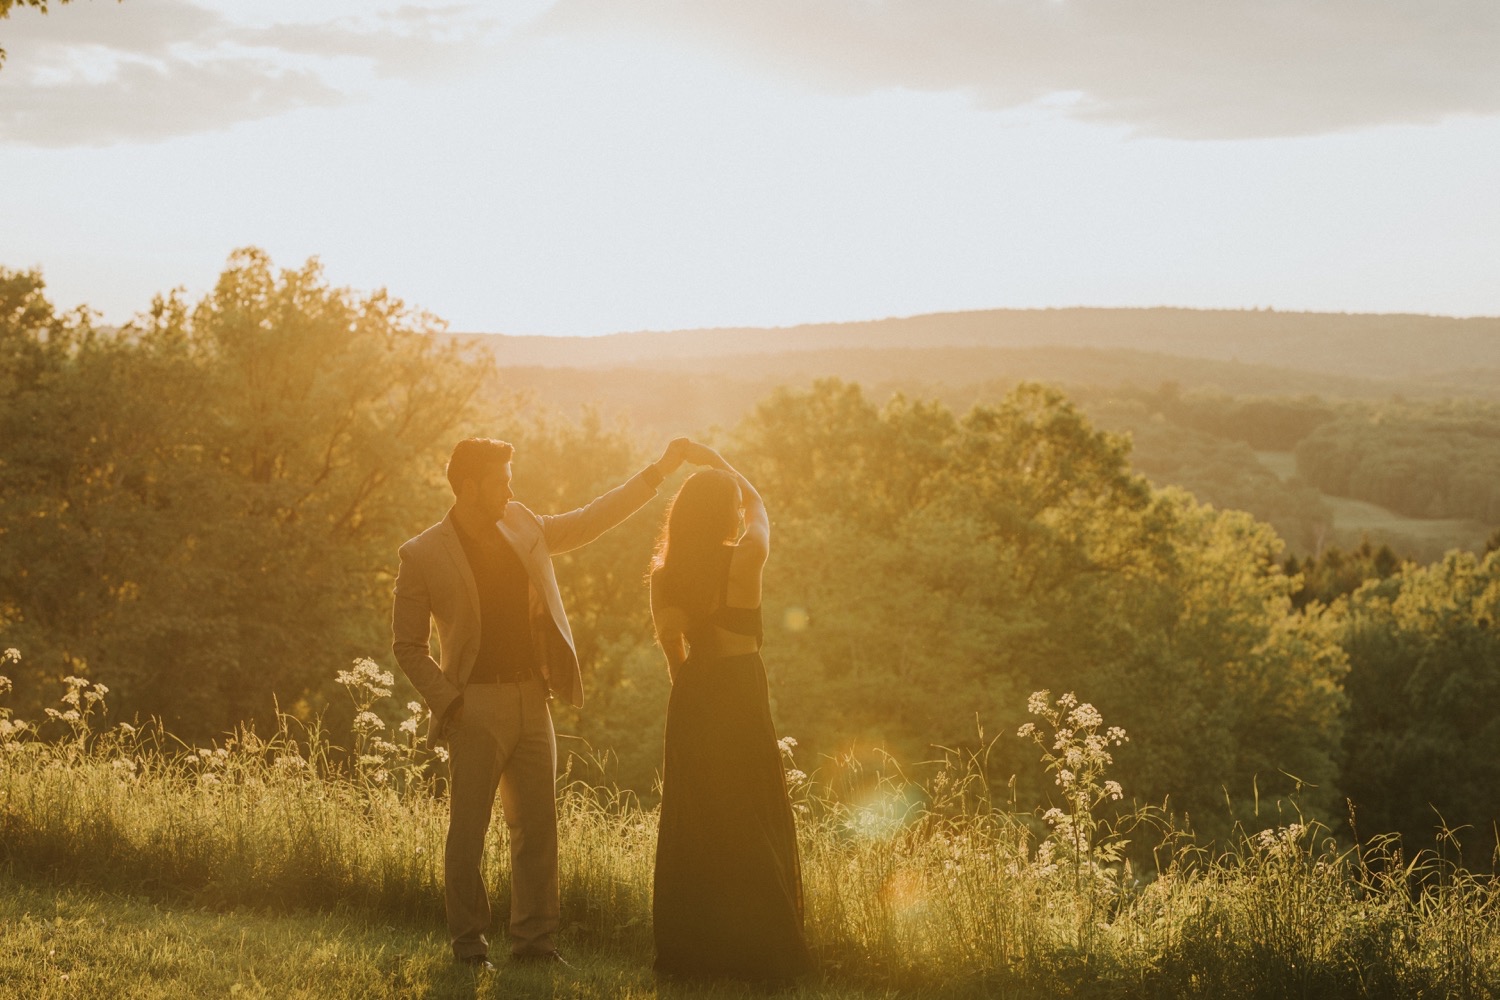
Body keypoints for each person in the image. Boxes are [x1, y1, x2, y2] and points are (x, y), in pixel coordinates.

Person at [391, 435, 688, 969]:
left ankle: (535, 947)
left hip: (534, 698)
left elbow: (592, 518)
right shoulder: (422, 554)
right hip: (472, 707)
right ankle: (469, 948)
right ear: (469, 486)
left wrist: (659, 471)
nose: (511, 489)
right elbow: (407, 646)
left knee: (538, 831)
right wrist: (450, 703)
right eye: (502, 481)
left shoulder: (523, 522)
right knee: (468, 833)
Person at [648, 444, 814, 983]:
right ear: (725, 515)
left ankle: (694, 956)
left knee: (696, 824)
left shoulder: (664, 575)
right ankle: (763, 956)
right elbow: (760, 506)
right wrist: (719, 460)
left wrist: (692, 695)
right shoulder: (745, 559)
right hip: (741, 694)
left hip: (694, 697)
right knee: (751, 816)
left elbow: (673, 651)